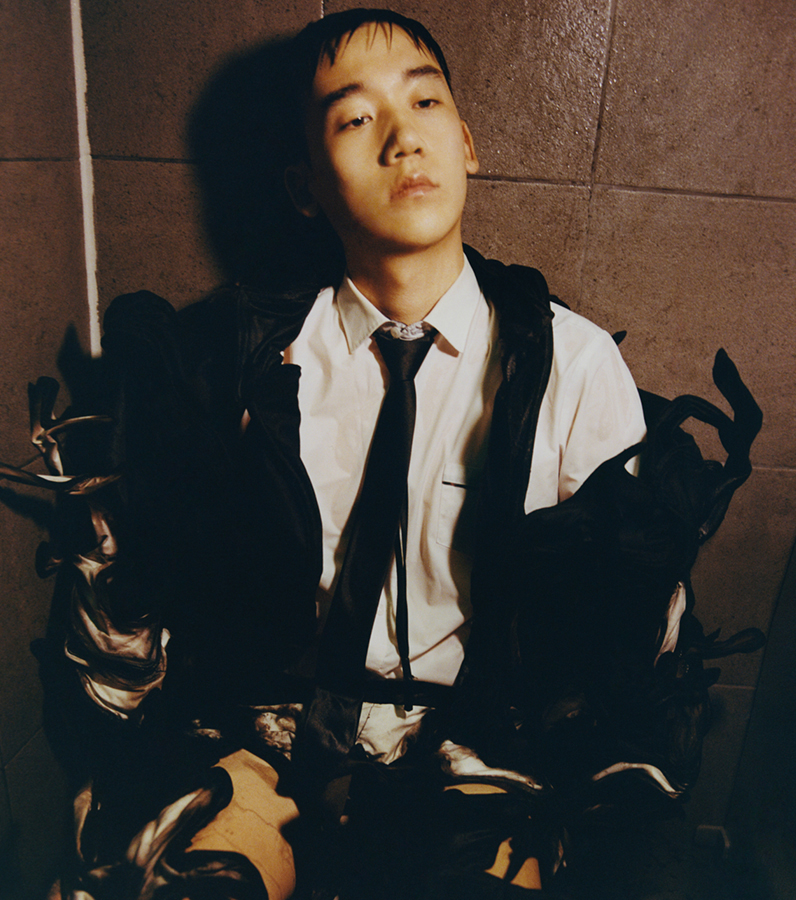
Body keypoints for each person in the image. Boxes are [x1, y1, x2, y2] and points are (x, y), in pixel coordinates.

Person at [32, 8, 762, 900]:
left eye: (424, 102)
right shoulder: (240, 361)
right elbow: (180, 586)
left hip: (485, 745)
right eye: (354, 117)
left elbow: (612, 632)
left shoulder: (569, 366)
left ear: (467, 143)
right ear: (305, 187)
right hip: (271, 733)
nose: (401, 138)